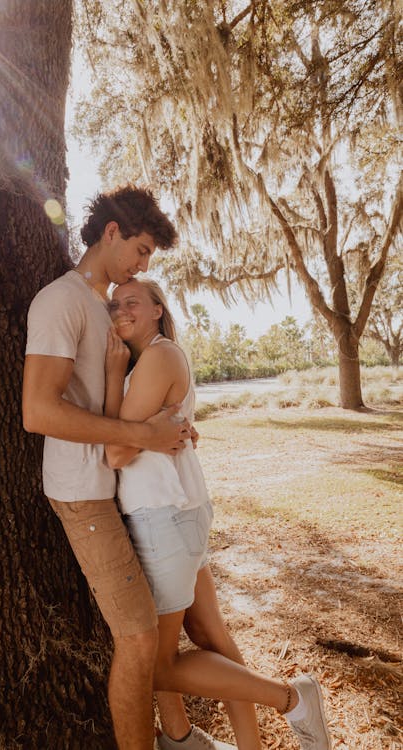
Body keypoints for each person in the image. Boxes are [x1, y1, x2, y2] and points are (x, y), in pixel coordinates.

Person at [22, 185, 227, 750]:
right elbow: (37, 411)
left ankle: (182, 739)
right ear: (111, 232)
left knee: (165, 632)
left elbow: (136, 389)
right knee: (139, 642)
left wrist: (171, 424)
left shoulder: (108, 306)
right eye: (139, 251)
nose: (141, 265)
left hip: (123, 493)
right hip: (84, 494)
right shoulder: (61, 301)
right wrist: (142, 435)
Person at [104, 277, 332, 750]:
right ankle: (237, 745)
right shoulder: (155, 358)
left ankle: (293, 700)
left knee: (160, 665)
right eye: (113, 303)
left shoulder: (160, 356)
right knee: (211, 635)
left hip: (163, 519)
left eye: (131, 302)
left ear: (157, 310)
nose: (119, 310)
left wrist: (113, 382)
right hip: (180, 512)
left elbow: (116, 453)